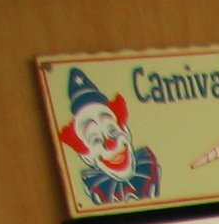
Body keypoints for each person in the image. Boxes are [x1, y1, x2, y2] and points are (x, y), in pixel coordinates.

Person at [54, 67, 161, 207]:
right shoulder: (98, 193)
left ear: (126, 132)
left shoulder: (152, 169)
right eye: (95, 139)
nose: (110, 143)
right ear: (86, 156)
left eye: (113, 130)